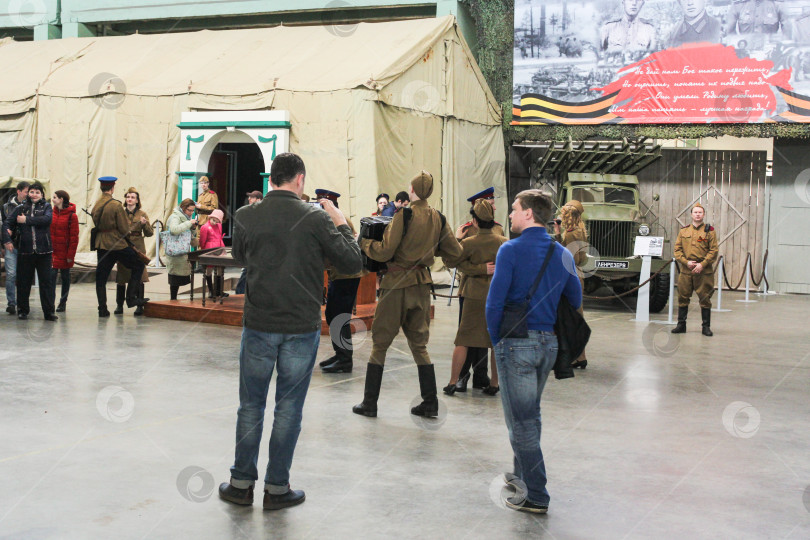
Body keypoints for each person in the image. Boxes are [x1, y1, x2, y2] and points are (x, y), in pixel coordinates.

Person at [218, 153, 362, 510]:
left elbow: (239, 257)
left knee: (250, 406)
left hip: (258, 324)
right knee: (288, 409)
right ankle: (277, 488)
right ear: (300, 180)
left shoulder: (248, 214)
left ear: (271, 180)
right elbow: (352, 261)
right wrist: (341, 223)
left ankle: (240, 484)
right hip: (300, 327)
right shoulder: (314, 217)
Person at [486, 189, 582, 514]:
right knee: (530, 415)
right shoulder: (562, 252)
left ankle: (537, 493)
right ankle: (522, 476)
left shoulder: (509, 250)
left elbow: (494, 303)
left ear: (528, 213)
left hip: (517, 344)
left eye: (514, 209)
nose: (510, 215)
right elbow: (576, 298)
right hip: (549, 345)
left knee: (521, 422)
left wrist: (497, 340)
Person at [352, 171, 463, 419]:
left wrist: (366, 244)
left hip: (396, 285)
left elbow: (385, 250)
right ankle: (430, 402)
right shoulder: (440, 218)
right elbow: (455, 254)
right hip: (422, 286)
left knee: (380, 344)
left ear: (411, 191)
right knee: (420, 346)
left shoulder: (405, 214)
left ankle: (370, 403)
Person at [442, 199, 507, 396]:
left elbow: (450, 261)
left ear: (475, 221)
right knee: (496, 341)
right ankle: (494, 384)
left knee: (463, 339)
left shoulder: (469, 243)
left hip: (472, 296)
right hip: (497, 295)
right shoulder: (504, 243)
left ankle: (454, 381)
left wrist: (475, 267)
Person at [317, 189, 365, 374]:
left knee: (339, 317)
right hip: (342, 274)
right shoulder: (337, 217)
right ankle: (340, 354)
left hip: (347, 275)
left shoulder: (337, 219)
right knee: (333, 315)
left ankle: (345, 360)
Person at [92, 176, 148, 317]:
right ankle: (131, 298)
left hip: (101, 244)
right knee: (139, 265)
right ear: (112, 188)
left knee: (101, 278)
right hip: (117, 244)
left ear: (101, 188)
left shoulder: (97, 203)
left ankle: (102, 309)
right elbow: (124, 229)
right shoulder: (116, 205)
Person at [2, 182, 57, 321]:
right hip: (25, 251)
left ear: (42, 194)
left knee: (46, 282)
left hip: (44, 252)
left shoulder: (47, 207)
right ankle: (23, 310)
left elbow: (46, 220)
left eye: (37, 192)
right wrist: (7, 240)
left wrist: (26, 220)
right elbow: (7, 223)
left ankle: (49, 312)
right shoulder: (20, 208)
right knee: (23, 282)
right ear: (28, 193)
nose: (34, 194)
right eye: (31, 192)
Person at [672, 203, 719, 336]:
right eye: (695, 212)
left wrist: (702, 264)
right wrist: (686, 262)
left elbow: (713, 250)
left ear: (703, 215)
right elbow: (677, 250)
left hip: (703, 271)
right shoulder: (684, 231)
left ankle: (706, 327)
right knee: (683, 297)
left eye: (700, 212)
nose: (698, 214)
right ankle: (681, 325)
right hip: (687, 270)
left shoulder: (710, 231)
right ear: (691, 214)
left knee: (705, 298)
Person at [554, 200, 590, 368]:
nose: (561, 216)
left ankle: (575, 356)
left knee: (570, 318)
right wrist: (557, 233)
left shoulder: (570, 234)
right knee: (576, 316)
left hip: (570, 277)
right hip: (578, 275)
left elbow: (568, 259)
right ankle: (580, 356)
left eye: (563, 214)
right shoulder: (579, 230)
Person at [114, 187, 153, 316]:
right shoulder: (120, 213)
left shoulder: (142, 214)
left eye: (132, 197)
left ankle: (139, 305)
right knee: (121, 277)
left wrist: (144, 224)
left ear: (137, 200)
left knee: (140, 277)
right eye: (128, 197)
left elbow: (149, 233)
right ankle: (119, 305)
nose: (129, 199)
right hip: (124, 245)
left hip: (138, 247)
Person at [50, 190, 79, 313]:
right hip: (52, 251)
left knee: (65, 278)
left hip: (65, 252)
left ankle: (63, 302)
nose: (53, 199)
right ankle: (50, 302)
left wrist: (70, 255)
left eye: (55, 197)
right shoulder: (51, 213)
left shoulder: (72, 216)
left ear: (61, 199)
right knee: (51, 278)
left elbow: (74, 237)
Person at [2, 180, 29, 315]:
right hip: (11, 245)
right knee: (11, 274)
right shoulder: (6, 207)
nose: (28, 194)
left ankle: (22, 302)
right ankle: (11, 303)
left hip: (26, 246)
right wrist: (5, 241)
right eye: (26, 192)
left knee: (24, 275)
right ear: (18, 191)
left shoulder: (32, 206)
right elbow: (3, 226)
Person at [165, 199, 199, 301]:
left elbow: (189, 233)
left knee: (178, 278)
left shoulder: (185, 217)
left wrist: (193, 228)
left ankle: (174, 300)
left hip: (181, 252)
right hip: (174, 252)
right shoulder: (175, 217)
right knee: (174, 278)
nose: (191, 213)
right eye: (189, 210)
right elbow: (174, 230)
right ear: (183, 208)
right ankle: (173, 300)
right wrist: (189, 223)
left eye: (193, 211)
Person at [234, 192, 263, 295]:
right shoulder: (246, 212)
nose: (249, 199)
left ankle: (240, 294)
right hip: (248, 248)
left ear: (259, 199)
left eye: (252, 197)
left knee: (247, 274)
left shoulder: (261, 213)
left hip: (256, 249)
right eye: (249, 197)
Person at [199, 208, 228, 299]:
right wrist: (204, 251)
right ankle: (211, 291)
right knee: (209, 269)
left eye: (217, 221)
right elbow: (202, 241)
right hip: (210, 249)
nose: (214, 222)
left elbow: (219, 236)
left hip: (219, 248)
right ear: (210, 217)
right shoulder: (205, 227)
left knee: (220, 269)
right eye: (213, 220)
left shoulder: (219, 226)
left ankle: (219, 290)